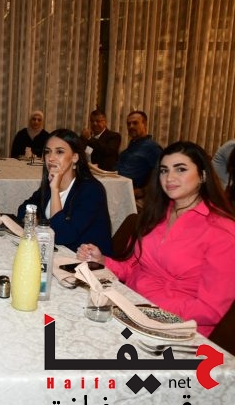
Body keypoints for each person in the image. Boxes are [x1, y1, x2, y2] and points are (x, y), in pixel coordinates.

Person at [77, 141, 235, 337]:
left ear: (202, 175)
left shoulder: (222, 230)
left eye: (181, 169)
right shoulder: (155, 214)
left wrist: (146, 309)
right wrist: (102, 261)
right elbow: (132, 268)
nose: (169, 177)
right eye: (164, 170)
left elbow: (210, 310)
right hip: (132, 310)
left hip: (179, 329)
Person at [16, 129, 112, 255]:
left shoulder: (92, 190)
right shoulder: (50, 184)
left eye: (59, 152)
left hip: (86, 261)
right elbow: (23, 209)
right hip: (55, 254)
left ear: (75, 157)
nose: (51, 158)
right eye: (47, 152)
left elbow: (61, 235)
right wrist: (35, 220)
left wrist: (55, 190)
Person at [116, 110, 163, 190]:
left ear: (145, 124)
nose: (131, 126)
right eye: (128, 124)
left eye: (135, 123)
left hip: (132, 191)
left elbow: (161, 173)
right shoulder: (131, 146)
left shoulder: (152, 148)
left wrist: (143, 191)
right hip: (118, 186)